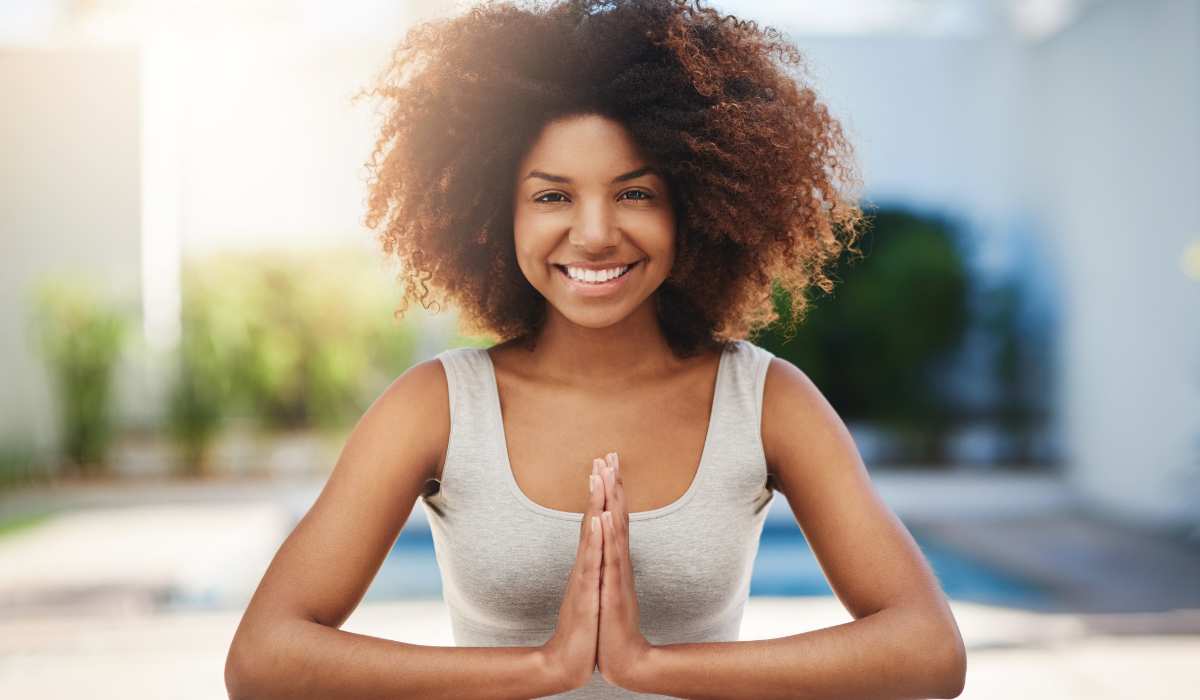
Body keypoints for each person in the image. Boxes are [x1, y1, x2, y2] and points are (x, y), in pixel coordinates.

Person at [224, 1, 967, 698]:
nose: (593, 232)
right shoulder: (438, 408)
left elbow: (929, 650)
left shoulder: (765, 401)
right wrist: (542, 666)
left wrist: (652, 664)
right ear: (495, 214)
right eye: (552, 196)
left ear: (695, 209)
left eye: (635, 193)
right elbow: (263, 659)